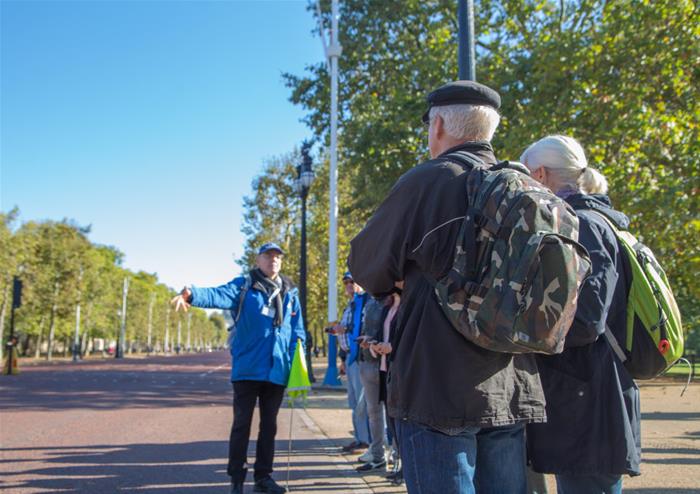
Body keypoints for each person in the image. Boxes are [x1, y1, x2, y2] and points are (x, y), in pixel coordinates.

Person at [348, 80, 546, 494]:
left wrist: (404, 275)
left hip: (438, 384)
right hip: (510, 380)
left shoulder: (430, 181)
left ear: (437, 124)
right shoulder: (524, 186)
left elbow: (367, 267)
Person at [521, 135, 641, 494]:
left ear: (540, 175)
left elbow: (587, 318)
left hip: (588, 403)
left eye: (526, 177)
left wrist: (525, 332)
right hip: (588, 398)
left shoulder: (584, 225)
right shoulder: (597, 222)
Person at [171, 242, 306, 494]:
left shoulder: (290, 292)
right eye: (268, 256)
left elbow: (297, 331)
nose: (273, 261)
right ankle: (236, 479)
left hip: (277, 370)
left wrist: (300, 363)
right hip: (247, 369)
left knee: (269, 426)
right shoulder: (243, 286)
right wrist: (191, 293)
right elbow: (217, 295)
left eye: (277, 257)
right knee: (241, 424)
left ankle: (264, 478)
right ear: (258, 260)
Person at [333, 272, 371, 455]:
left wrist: (344, 329)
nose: (348, 285)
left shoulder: (365, 302)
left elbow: (364, 327)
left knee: (362, 402)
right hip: (350, 358)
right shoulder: (350, 305)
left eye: (352, 281)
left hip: (360, 357)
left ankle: (365, 440)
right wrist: (342, 359)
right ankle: (360, 438)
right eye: (346, 282)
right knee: (354, 402)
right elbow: (345, 334)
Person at [355, 295, 390, 472]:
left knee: (392, 415)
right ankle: (378, 455)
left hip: (385, 365)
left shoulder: (392, 299)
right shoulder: (369, 302)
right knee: (373, 413)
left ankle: (398, 459)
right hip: (367, 362)